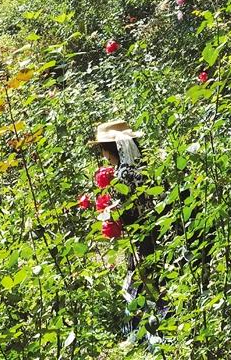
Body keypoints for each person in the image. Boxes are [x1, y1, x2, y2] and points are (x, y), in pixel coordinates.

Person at [88, 120, 161, 339]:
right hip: (156, 233)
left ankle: (145, 336)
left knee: (141, 284)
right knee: (153, 282)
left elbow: (119, 212)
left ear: (109, 150)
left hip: (140, 239)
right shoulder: (144, 167)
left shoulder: (122, 176)